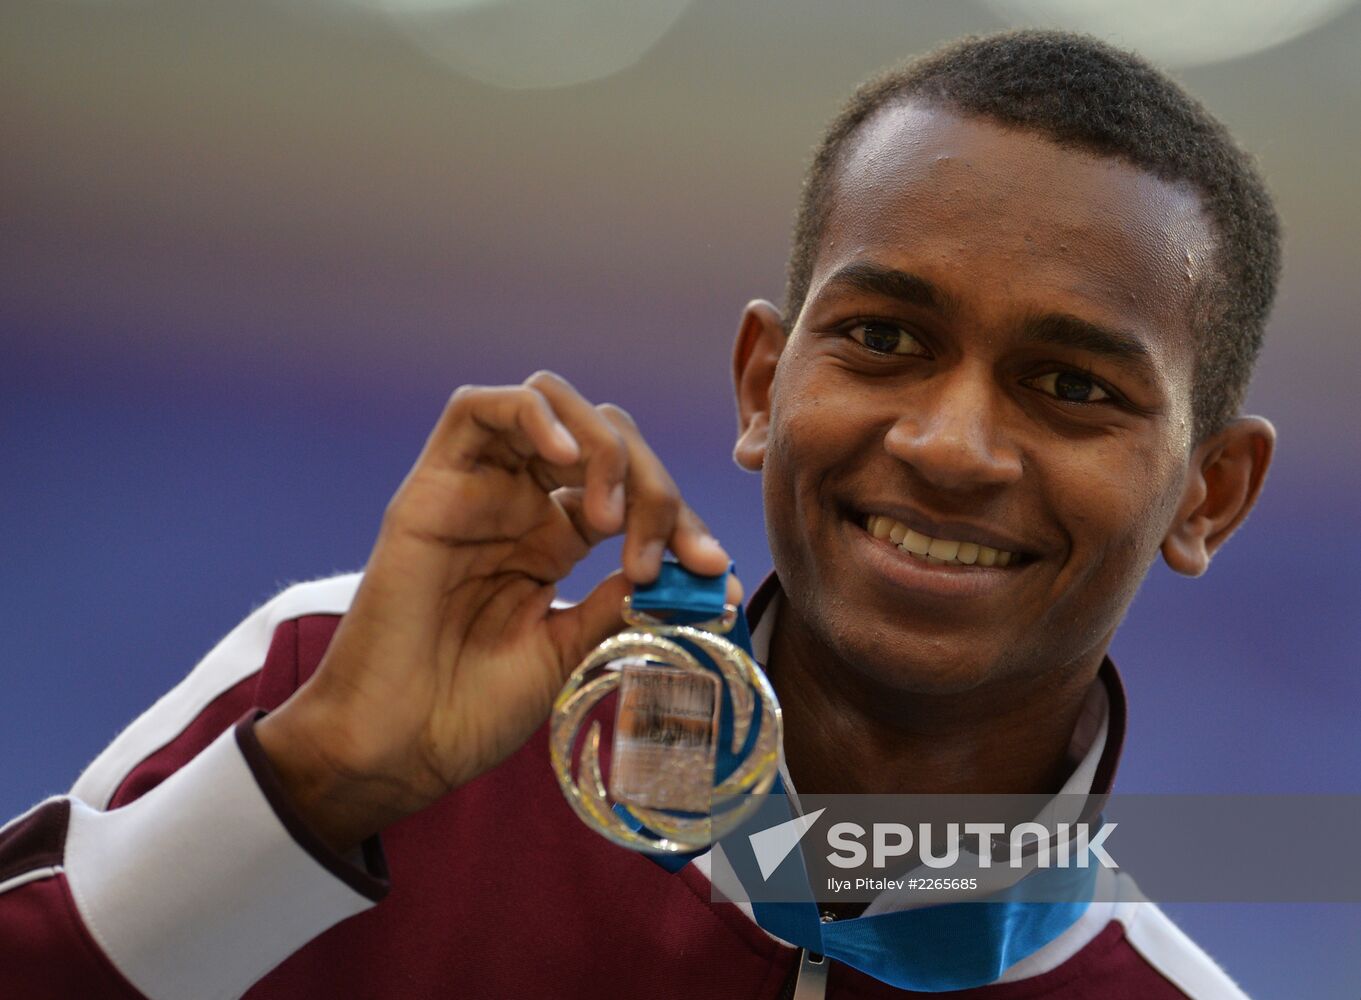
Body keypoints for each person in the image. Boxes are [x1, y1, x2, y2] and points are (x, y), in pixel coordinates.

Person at [0, 28, 1278, 999]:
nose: (947, 444)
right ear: (763, 384)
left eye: (1070, 386)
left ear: (1205, 495)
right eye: (882, 337)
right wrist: (316, 788)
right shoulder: (333, 686)